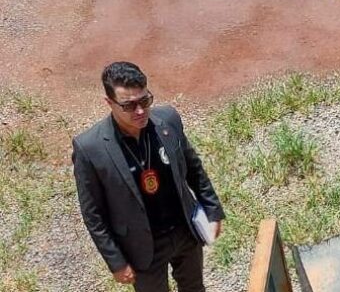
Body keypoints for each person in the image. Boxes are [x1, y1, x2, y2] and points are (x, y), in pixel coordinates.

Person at [72, 61, 225, 292]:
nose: (140, 111)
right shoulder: (90, 148)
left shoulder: (168, 121)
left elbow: (194, 168)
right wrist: (117, 262)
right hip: (142, 248)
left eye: (145, 101)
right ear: (109, 103)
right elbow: (93, 214)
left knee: (195, 287)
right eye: (129, 106)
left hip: (184, 231)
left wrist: (212, 211)